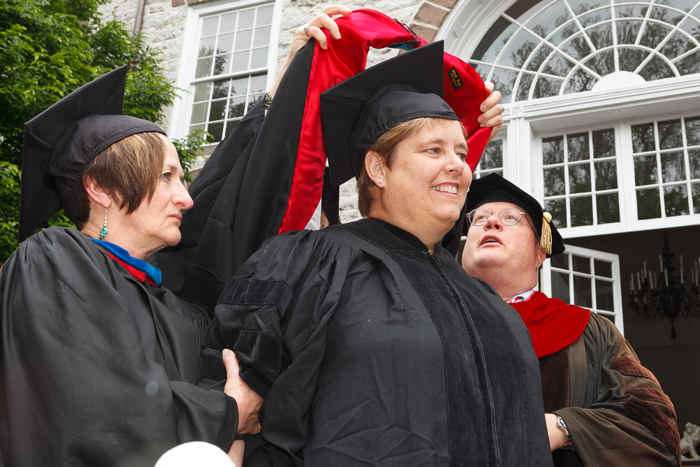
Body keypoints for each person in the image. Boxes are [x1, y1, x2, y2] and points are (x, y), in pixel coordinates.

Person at [0, 9, 348, 466]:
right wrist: (226, 412)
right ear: (100, 188)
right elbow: (96, 410)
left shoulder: (174, 302)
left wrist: (285, 89)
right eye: (166, 177)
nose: (185, 198)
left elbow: (230, 190)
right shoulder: (52, 259)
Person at [199, 41, 553, 466]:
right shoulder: (311, 263)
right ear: (378, 168)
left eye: (461, 152)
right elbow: (241, 414)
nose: (459, 165)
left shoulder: (486, 299)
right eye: (434, 150)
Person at [461, 173, 681, 467]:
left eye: (511, 218)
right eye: (479, 218)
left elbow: (656, 430)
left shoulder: (590, 333)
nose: (491, 222)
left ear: (541, 251)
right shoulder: (427, 324)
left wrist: (564, 427)